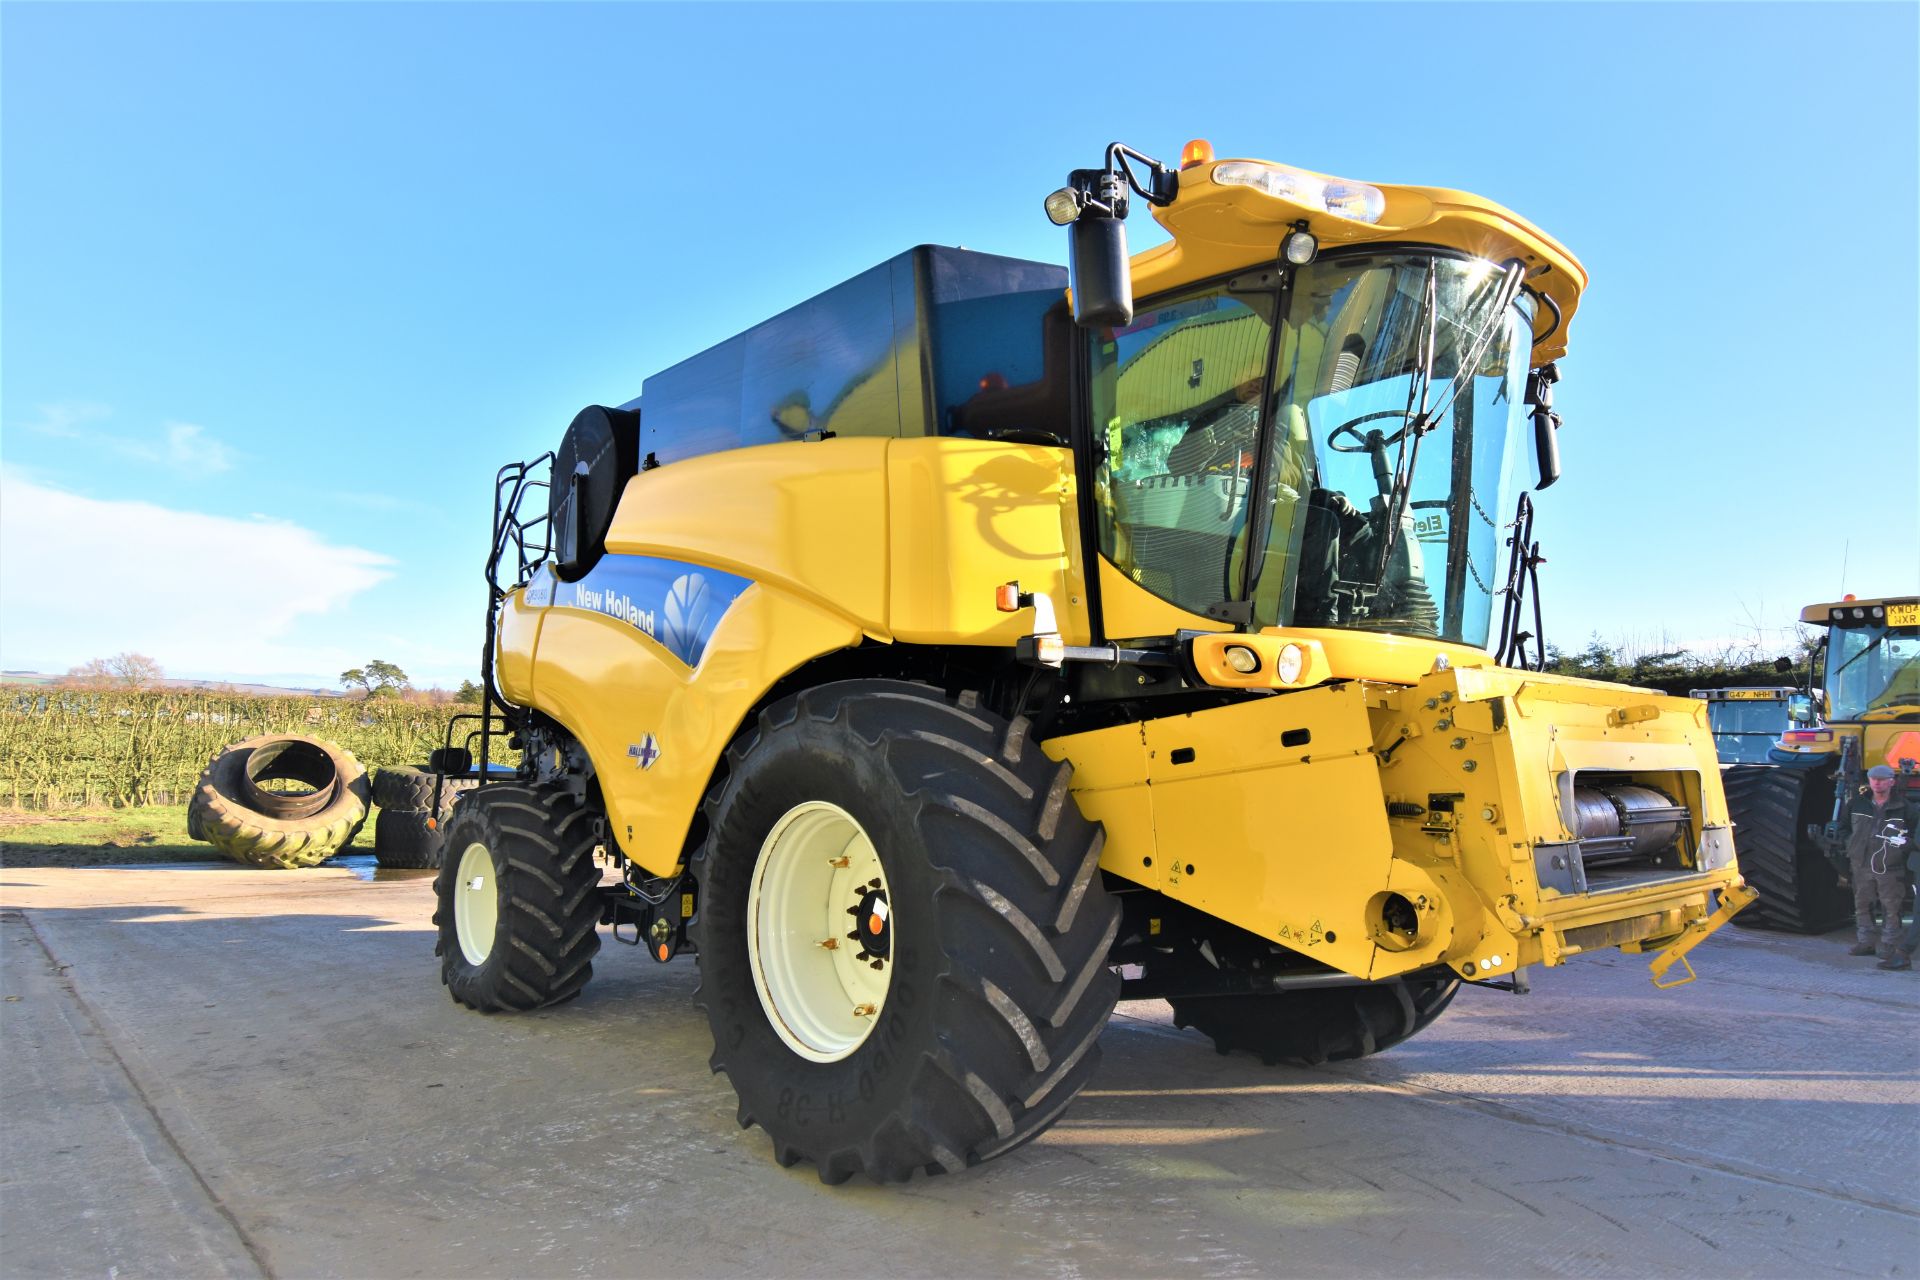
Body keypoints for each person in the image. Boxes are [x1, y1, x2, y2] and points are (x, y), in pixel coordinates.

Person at [1844, 763, 1915, 962]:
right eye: (1874, 779)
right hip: (1861, 863)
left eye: (1882, 779)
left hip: (1890, 866)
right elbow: (1843, 827)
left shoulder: (1904, 807)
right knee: (1862, 903)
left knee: (1891, 907)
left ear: (1892, 782)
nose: (1877, 783)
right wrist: (1849, 846)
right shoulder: (1857, 803)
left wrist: (1904, 848)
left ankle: (1889, 945)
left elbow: (1913, 835)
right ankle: (1865, 942)